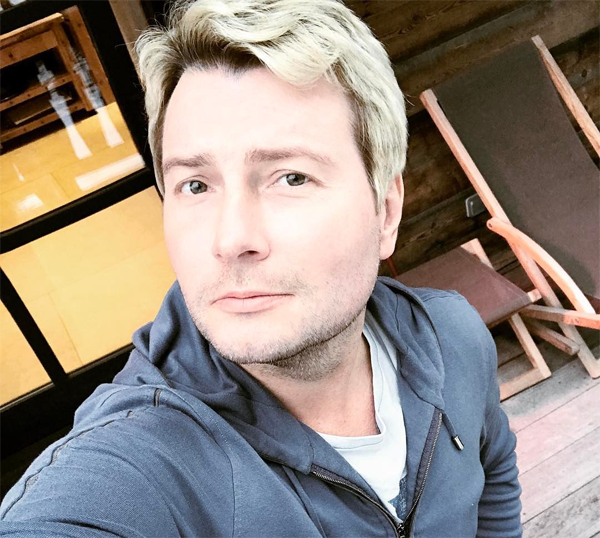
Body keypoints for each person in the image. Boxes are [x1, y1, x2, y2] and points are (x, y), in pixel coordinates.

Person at [0, 1, 522, 536]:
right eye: (195, 185)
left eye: (291, 177)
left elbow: (495, 475)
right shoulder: (138, 465)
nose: (230, 240)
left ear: (385, 211)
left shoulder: (453, 337)